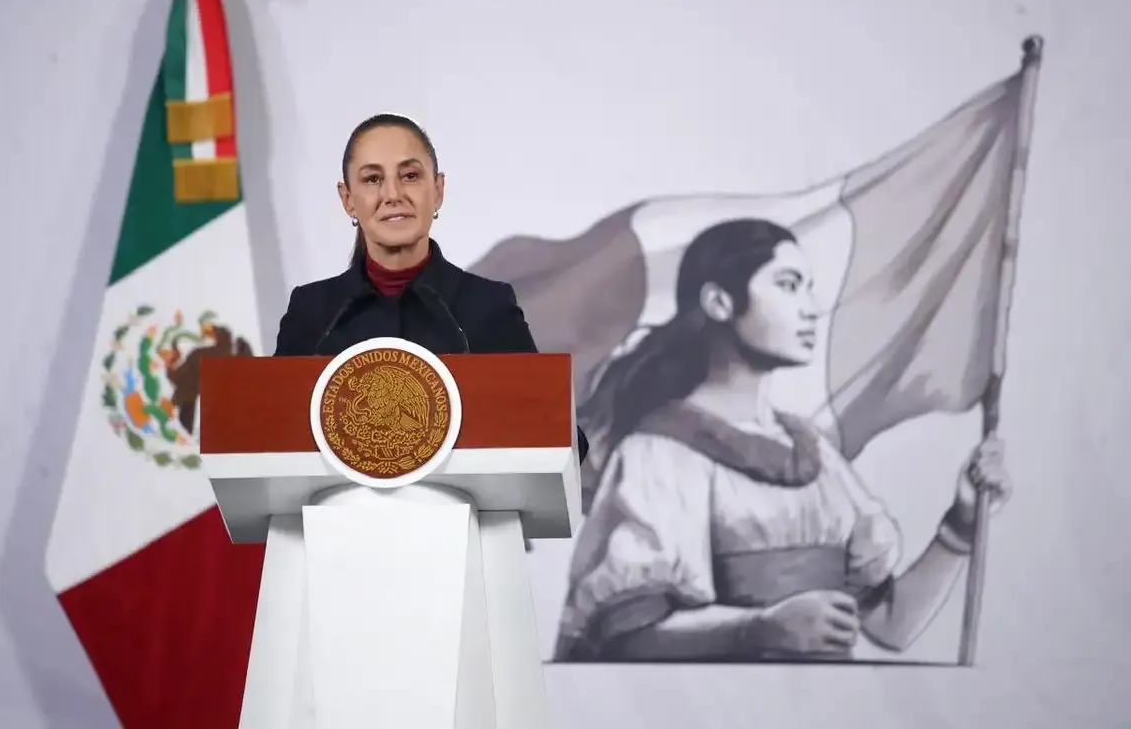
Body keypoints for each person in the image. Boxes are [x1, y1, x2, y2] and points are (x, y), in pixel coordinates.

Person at [553, 218, 1012, 662]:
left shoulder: (813, 453)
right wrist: (761, 628)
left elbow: (890, 626)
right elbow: (626, 638)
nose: (811, 307)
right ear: (719, 302)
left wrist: (961, 525)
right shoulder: (659, 453)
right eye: (789, 285)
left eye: (808, 287)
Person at [273, 113, 588, 461]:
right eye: (372, 179)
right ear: (347, 199)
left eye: (410, 176)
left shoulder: (486, 306)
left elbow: (563, 441)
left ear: (437, 191)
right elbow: (266, 435)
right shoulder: (314, 312)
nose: (393, 194)